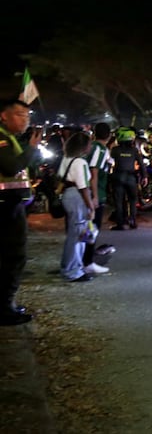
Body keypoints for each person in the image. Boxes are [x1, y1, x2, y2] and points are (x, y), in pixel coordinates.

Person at [0, 99, 41, 325]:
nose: (25, 119)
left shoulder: (13, 139)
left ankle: (6, 305)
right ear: (4, 116)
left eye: (27, 115)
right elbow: (10, 166)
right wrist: (32, 148)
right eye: (19, 114)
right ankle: (4, 308)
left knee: (11, 257)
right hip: (5, 207)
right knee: (13, 256)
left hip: (11, 205)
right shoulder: (2, 139)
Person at [59, 131, 97, 282]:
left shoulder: (67, 158)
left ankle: (71, 266)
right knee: (78, 235)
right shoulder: (80, 162)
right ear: (83, 146)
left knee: (74, 233)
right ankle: (72, 271)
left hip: (68, 194)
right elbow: (83, 186)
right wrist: (91, 206)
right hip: (77, 196)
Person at [82, 122, 114, 272]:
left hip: (86, 191)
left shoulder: (91, 146)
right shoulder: (99, 149)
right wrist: (95, 196)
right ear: (109, 135)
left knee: (87, 228)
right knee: (92, 229)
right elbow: (93, 173)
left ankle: (82, 261)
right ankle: (87, 262)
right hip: (95, 193)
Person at [110, 127, 147, 230]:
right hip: (131, 177)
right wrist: (145, 176)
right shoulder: (134, 150)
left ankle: (120, 224)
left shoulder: (115, 150)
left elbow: (109, 163)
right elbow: (141, 164)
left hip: (118, 177)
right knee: (132, 200)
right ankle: (133, 221)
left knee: (118, 201)